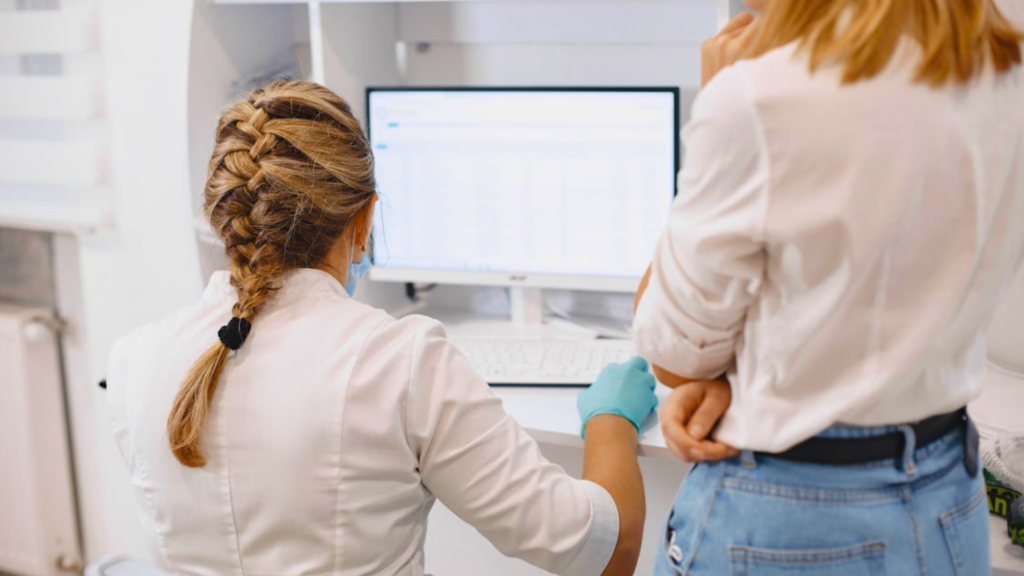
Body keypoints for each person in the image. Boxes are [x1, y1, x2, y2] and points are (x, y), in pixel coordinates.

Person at [104, 80, 657, 576]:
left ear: (221, 217)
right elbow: (606, 552)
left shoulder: (134, 362)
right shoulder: (401, 363)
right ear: (364, 219)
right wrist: (611, 421)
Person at [633, 0, 1024, 574]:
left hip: (786, 517)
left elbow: (674, 357)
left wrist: (720, 93)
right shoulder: (1002, 75)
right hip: (947, 500)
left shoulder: (761, 96)